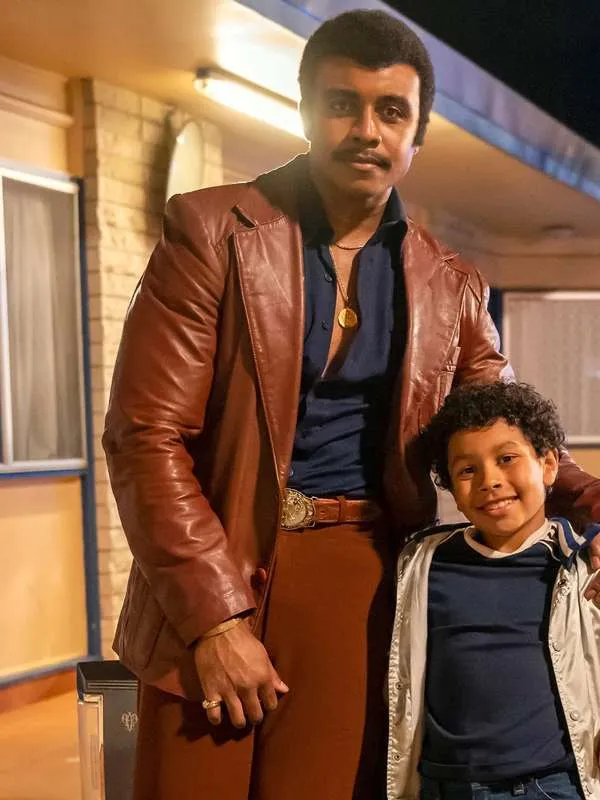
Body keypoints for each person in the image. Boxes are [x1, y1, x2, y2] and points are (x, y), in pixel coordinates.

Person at [103, 9, 600, 800]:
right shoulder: (212, 232)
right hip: (213, 560)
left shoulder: (451, 284)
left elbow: (511, 433)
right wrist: (214, 619)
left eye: (391, 111)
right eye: (343, 104)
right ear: (307, 111)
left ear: (417, 135)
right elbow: (144, 436)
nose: (366, 130)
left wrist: (597, 505)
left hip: (360, 582)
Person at [387, 381, 600, 800]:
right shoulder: (422, 563)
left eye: (506, 459)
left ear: (549, 465)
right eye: (467, 470)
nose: (490, 481)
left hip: (550, 785)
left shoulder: (581, 564)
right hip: (444, 786)